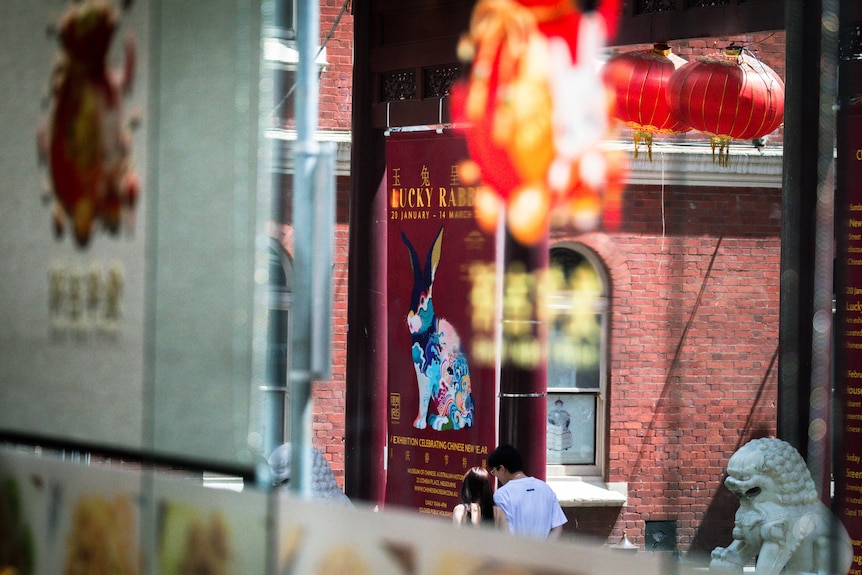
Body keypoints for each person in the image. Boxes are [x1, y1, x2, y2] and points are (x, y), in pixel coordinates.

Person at [487, 444, 567, 540]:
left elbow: (505, 532)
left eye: (495, 472)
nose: (497, 477)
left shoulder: (502, 495)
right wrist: (545, 551)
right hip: (543, 552)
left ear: (502, 469)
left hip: (515, 553)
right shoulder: (545, 488)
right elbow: (557, 527)